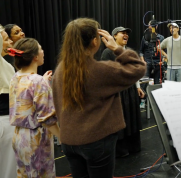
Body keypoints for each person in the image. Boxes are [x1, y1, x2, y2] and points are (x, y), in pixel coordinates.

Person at [52, 18, 146, 177]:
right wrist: (117, 48)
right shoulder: (99, 71)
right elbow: (138, 68)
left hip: (69, 142)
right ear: (95, 41)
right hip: (96, 142)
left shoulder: (60, 70)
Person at [9, 38, 60, 177]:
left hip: (19, 136)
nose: (43, 52)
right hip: (35, 139)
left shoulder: (15, 77)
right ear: (35, 57)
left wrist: (42, 81)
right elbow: (47, 119)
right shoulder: (38, 82)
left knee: (25, 174)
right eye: (41, 48)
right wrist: (63, 137)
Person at [101, 26, 145, 157]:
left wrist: (137, 87)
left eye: (127, 33)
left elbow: (135, 70)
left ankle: (134, 147)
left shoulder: (130, 52)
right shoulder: (107, 53)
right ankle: (121, 150)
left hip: (131, 91)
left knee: (132, 119)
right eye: (122, 33)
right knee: (121, 120)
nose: (126, 35)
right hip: (118, 92)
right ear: (114, 36)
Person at [0, 22, 17, 178]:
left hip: (6, 121)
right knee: (7, 171)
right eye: (6, 39)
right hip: (2, 124)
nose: (10, 43)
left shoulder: (1, 62)